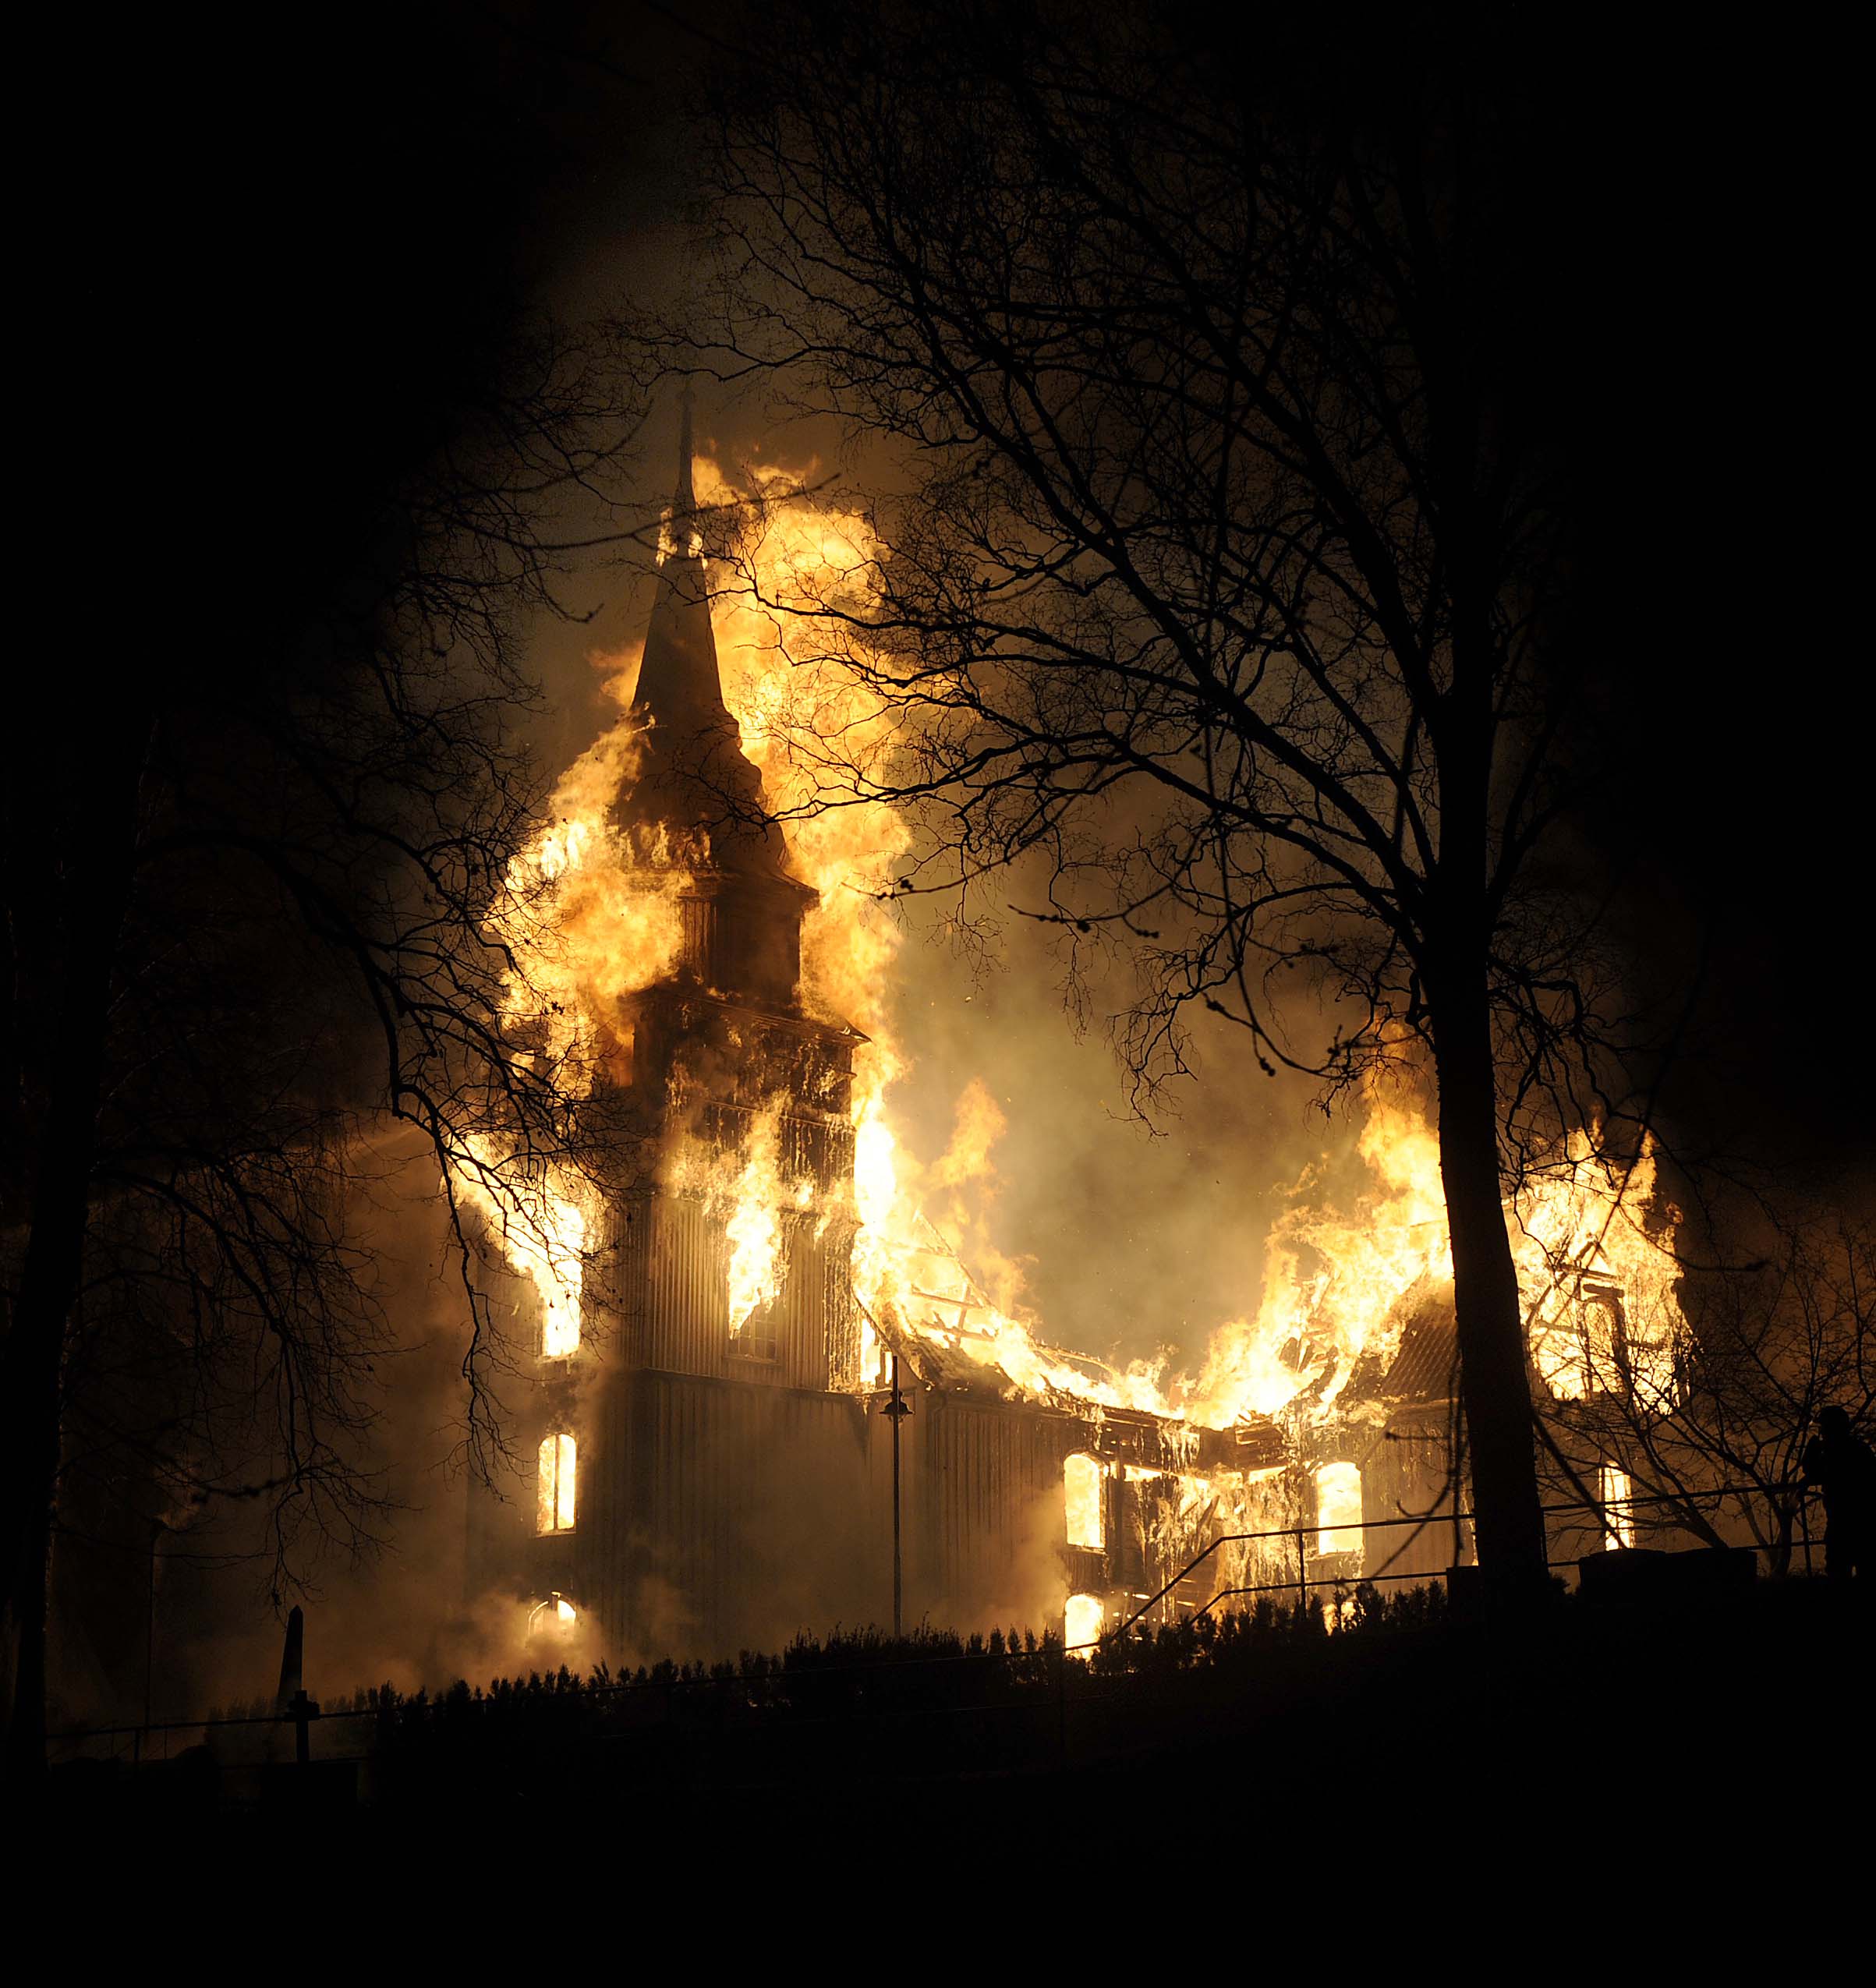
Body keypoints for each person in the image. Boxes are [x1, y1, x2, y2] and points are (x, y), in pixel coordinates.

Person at [1800, 1406, 1876, 1579]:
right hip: (1865, 1524)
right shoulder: (1859, 1449)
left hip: (1843, 1523)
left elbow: (1813, 1471)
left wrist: (1811, 1450)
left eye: (1823, 1428)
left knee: (1838, 1570)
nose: (1822, 1433)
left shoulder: (1834, 1453)